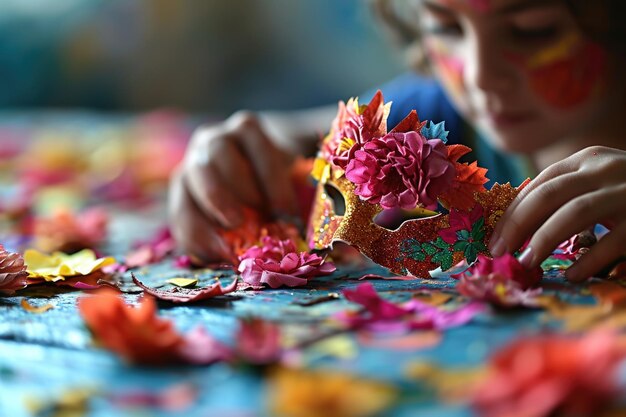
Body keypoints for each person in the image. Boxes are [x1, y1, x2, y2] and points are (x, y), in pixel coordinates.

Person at [169, 0, 626, 282]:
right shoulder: (438, 115)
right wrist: (232, 156)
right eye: (446, 26)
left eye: (533, 30)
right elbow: (293, 137)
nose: (481, 76)